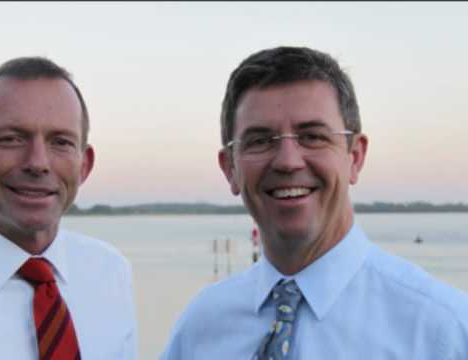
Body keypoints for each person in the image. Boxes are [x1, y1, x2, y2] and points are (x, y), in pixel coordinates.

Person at [161, 46, 468, 359]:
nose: (288, 162)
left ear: (355, 157)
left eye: (312, 136)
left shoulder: (444, 333)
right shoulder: (199, 330)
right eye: (259, 140)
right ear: (230, 169)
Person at [0, 57, 137, 359]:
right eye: (12, 139)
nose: (38, 162)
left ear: (85, 165)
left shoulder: (110, 271)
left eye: (61, 142)